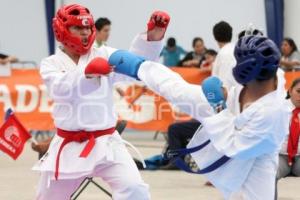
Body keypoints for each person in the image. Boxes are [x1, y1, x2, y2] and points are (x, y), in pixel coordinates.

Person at [107, 34, 289, 199]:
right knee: (179, 90)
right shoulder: (267, 70)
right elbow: (232, 86)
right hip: (229, 109)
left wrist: (219, 107)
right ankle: (138, 66)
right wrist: (225, 94)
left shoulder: (273, 112)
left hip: (251, 156)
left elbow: (233, 146)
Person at [33, 4, 170, 200]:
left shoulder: (103, 54)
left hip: (106, 142)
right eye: (78, 28)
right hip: (68, 145)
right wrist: (87, 73)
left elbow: (135, 65)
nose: (85, 32)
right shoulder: (51, 63)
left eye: (87, 28)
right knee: (47, 197)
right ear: (62, 30)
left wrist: (153, 37)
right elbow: (59, 89)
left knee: (134, 189)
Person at [275, 78, 300, 199]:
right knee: (268, 173)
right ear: (290, 91)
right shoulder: (278, 109)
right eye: (299, 91)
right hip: (280, 156)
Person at [211, 21, 238, 89]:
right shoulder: (236, 49)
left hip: (230, 97)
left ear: (215, 37)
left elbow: (225, 86)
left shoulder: (224, 54)